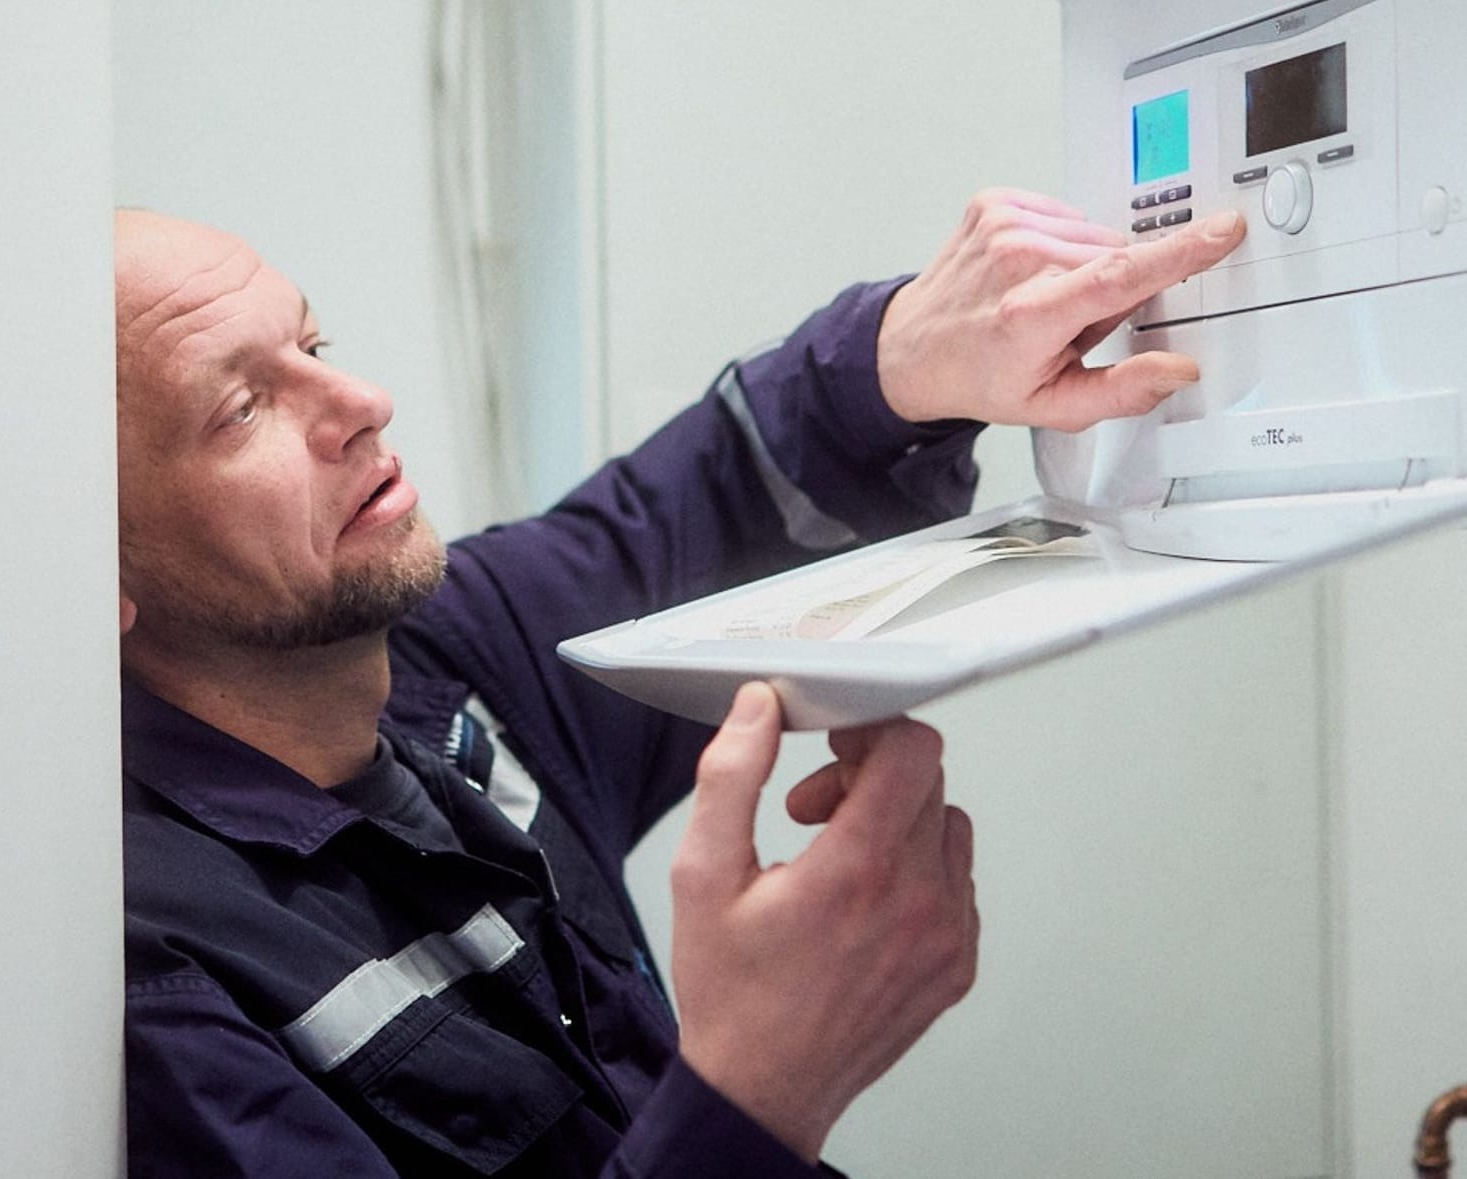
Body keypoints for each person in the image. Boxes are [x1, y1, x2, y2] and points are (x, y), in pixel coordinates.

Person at [117, 195, 1246, 1177]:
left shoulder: (439, 672)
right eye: (243, 408)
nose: (359, 398)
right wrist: (756, 1097)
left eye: (316, 341)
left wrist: (919, 352)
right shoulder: (151, 984)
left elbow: (698, 509)